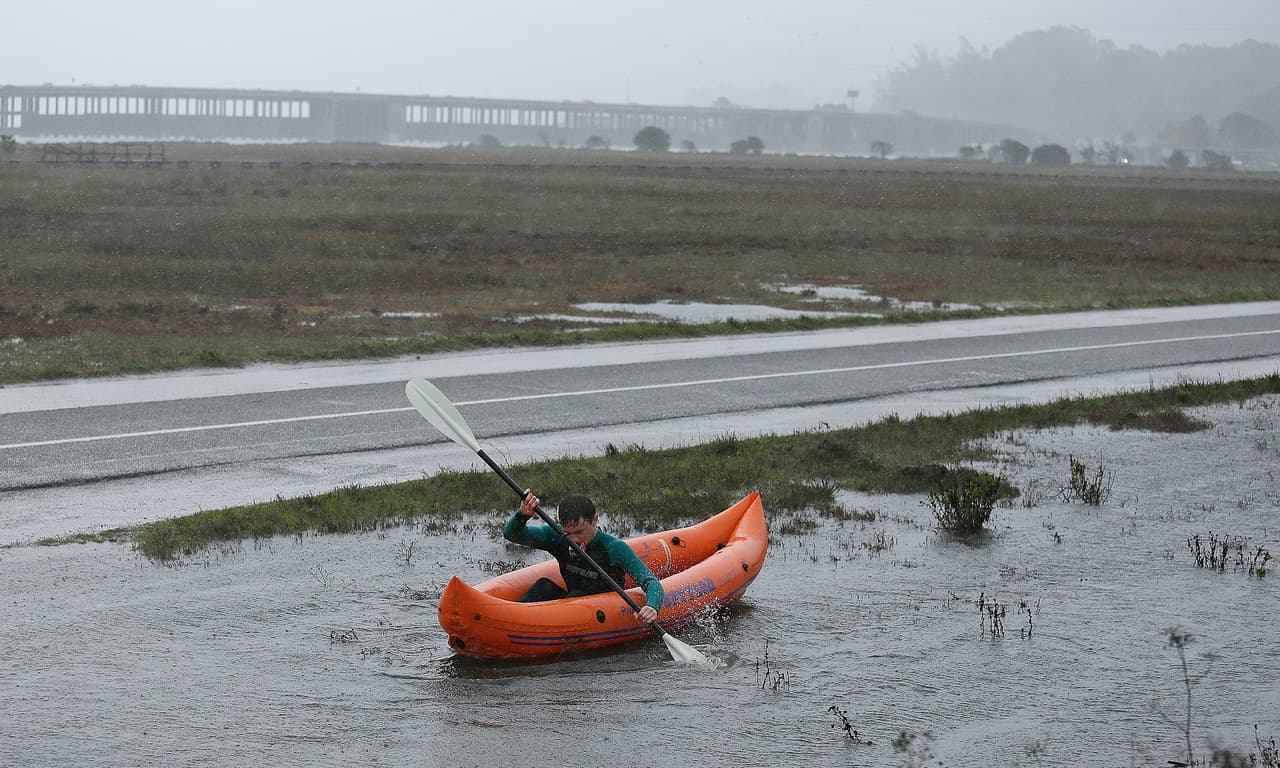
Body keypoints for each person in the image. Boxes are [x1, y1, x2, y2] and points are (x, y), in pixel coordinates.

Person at [503, 490, 662, 624]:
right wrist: (522, 516)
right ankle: (509, 621)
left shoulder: (614, 548)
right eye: (568, 533)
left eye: (579, 532)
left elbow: (650, 581)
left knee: (576, 597)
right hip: (570, 606)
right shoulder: (557, 536)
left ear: (594, 520)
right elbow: (512, 535)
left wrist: (652, 607)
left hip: (604, 610)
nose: (574, 540)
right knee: (543, 586)